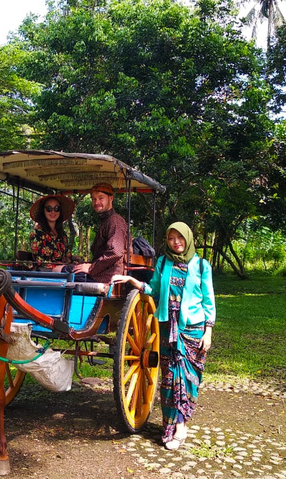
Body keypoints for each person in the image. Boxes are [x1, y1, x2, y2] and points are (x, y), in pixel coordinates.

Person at [112, 222, 215, 451]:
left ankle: (181, 426)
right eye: (171, 238)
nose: (176, 242)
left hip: (193, 329)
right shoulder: (163, 262)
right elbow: (155, 291)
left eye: (180, 238)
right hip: (167, 328)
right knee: (169, 379)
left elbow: (209, 301)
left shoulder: (201, 266)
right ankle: (171, 425)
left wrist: (208, 331)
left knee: (188, 380)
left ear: (188, 239)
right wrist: (133, 282)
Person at [72, 182, 128, 284]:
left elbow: (116, 252)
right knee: (68, 268)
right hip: (101, 274)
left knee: (59, 271)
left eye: (101, 198)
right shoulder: (106, 221)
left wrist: (91, 267)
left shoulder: (115, 220)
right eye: (93, 199)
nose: (96, 202)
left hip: (107, 277)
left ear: (111, 198)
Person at [29, 194, 75, 270]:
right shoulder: (37, 234)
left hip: (63, 271)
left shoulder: (62, 234)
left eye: (56, 208)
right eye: (49, 209)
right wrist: (59, 267)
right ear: (43, 211)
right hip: (45, 273)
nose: (53, 212)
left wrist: (74, 260)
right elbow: (39, 261)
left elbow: (67, 256)